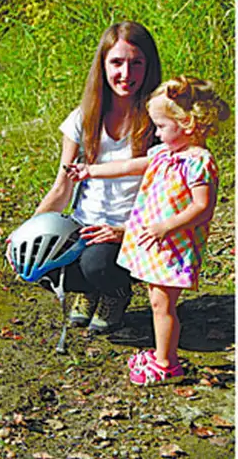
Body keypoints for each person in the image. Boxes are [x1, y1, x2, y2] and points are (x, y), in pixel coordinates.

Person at [65, 76, 229, 385]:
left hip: (174, 245)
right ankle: (161, 355)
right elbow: (129, 166)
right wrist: (90, 171)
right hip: (158, 243)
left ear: (189, 124)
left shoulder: (199, 162)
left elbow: (202, 207)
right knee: (157, 302)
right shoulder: (165, 155)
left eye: (161, 127)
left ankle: (167, 363)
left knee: (163, 306)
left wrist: (165, 226)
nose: (156, 133)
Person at [34, 21, 162, 333]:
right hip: (83, 225)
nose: (126, 74)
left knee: (97, 264)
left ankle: (116, 293)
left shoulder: (160, 120)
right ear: (103, 66)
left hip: (130, 232)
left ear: (149, 67)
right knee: (34, 263)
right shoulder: (83, 118)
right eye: (117, 63)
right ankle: (90, 291)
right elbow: (62, 187)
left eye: (136, 63)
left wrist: (124, 232)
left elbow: (166, 196)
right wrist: (28, 231)